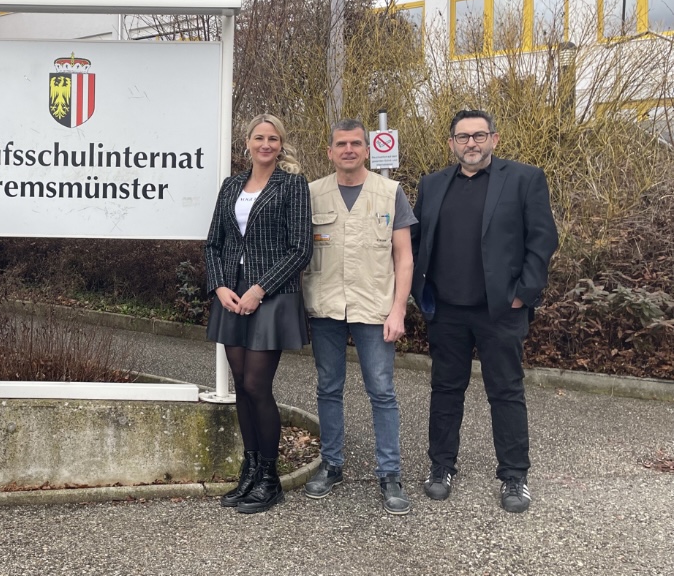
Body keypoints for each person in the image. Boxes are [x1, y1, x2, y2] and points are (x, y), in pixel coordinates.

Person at [411, 109, 558, 513]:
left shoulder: (525, 179)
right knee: (445, 391)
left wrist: (522, 294)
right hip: (446, 310)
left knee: (506, 392)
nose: (471, 144)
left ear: (494, 138)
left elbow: (542, 241)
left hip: (501, 311)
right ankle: (441, 467)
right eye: (462, 137)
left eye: (479, 136)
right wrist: (416, 291)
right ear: (451, 143)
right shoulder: (432, 184)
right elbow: (418, 241)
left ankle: (514, 476)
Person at [301, 120, 415, 515]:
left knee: (382, 392)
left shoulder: (390, 193)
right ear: (330, 151)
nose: (348, 150)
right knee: (328, 388)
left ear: (367, 150)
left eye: (355, 144)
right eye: (340, 144)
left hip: (374, 308)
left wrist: (398, 309)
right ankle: (331, 465)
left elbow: (404, 256)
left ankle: (390, 474)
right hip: (326, 306)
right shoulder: (312, 194)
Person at [205, 113, 313, 514]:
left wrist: (259, 289)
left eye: (273, 138)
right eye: (258, 138)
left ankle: (269, 478)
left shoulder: (292, 185)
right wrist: (220, 287)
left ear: (280, 145)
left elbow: (300, 248)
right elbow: (213, 244)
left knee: (256, 385)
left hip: (272, 297)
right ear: (247, 142)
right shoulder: (231, 185)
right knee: (239, 384)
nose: (265, 144)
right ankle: (248, 472)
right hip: (231, 297)